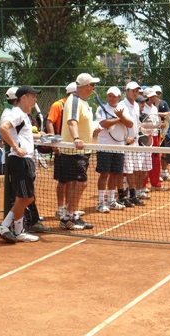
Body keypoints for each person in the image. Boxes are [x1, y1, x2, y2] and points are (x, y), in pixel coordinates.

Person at [0, 85, 44, 243]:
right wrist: (16, 147)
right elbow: (3, 128)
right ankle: (19, 231)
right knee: (22, 198)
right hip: (20, 159)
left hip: (25, 160)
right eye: (32, 96)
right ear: (23, 98)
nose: (35, 99)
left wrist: (42, 136)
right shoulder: (17, 113)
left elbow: (23, 135)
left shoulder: (24, 115)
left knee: (27, 198)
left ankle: (5, 225)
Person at [58, 73, 98, 230]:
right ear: (87, 86)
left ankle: (73, 215)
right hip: (74, 150)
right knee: (81, 183)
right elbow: (71, 121)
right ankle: (67, 217)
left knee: (77, 183)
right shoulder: (73, 100)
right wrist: (76, 138)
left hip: (83, 150)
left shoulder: (83, 102)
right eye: (93, 85)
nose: (94, 88)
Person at [95, 86, 133, 212]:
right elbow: (103, 124)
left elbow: (130, 124)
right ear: (107, 97)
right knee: (104, 174)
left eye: (114, 96)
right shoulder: (101, 108)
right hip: (104, 147)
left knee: (116, 175)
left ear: (119, 97)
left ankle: (111, 201)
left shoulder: (123, 109)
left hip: (119, 147)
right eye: (110, 96)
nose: (112, 98)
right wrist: (119, 118)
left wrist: (121, 116)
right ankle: (101, 202)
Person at [46, 82, 79, 219]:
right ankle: (60, 209)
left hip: (74, 149)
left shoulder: (78, 106)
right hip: (62, 148)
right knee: (63, 180)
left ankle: (68, 207)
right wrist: (55, 143)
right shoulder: (58, 105)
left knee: (72, 180)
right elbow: (49, 122)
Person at [118, 81, 149, 207]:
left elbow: (136, 123)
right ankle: (124, 196)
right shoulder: (121, 105)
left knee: (136, 169)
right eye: (133, 91)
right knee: (128, 170)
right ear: (127, 91)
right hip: (126, 143)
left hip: (136, 143)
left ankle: (132, 194)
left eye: (137, 91)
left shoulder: (136, 105)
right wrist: (125, 138)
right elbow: (119, 124)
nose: (135, 93)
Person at [142, 88, 167, 191]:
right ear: (147, 97)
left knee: (156, 160)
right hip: (146, 137)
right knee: (145, 161)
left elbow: (157, 123)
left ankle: (155, 183)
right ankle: (143, 185)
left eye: (154, 96)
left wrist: (161, 126)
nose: (154, 97)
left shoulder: (154, 108)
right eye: (152, 96)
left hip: (155, 136)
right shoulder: (142, 108)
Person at [151, 85, 170, 182]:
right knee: (155, 154)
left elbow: (169, 114)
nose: (157, 95)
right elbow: (152, 115)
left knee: (164, 152)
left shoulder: (164, 103)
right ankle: (153, 174)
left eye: (159, 93)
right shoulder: (149, 104)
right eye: (156, 93)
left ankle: (164, 172)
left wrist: (160, 114)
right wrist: (161, 114)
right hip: (153, 132)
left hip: (163, 132)